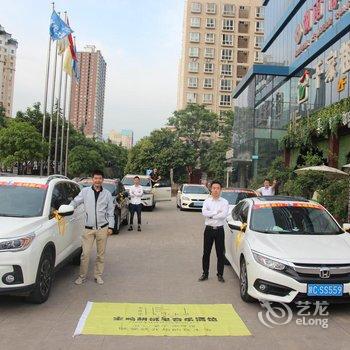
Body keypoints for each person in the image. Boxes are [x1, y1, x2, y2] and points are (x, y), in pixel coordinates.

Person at [70, 170, 115, 285]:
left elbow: (110, 212)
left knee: (101, 254)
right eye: (95, 178)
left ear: (102, 180)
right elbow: (75, 202)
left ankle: (98, 275)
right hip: (88, 229)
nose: (97, 180)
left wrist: (111, 227)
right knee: (85, 254)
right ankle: (82, 276)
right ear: (92, 179)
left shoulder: (107, 194)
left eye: (100, 178)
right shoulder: (85, 192)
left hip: (102, 228)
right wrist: (68, 208)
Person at [199, 181, 229, 283]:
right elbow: (204, 212)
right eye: (214, 188)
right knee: (206, 253)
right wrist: (216, 213)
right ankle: (205, 273)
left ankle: (220, 274)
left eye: (218, 188)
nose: (215, 190)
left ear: (220, 190)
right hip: (208, 230)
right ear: (211, 189)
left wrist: (210, 215)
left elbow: (223, 215)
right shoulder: (207, 201)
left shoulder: (224, 202)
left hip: (219, 230)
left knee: (220, 253)